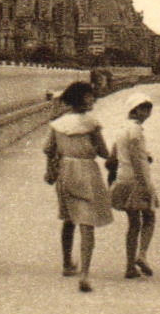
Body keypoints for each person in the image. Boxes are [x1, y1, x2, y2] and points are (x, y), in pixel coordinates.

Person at [44, 81, 111, 292]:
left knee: (68, 218)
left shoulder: (58, 124)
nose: (93, 99)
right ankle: (84, 273)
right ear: (81, 98)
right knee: (87, 222)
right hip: (86, 172)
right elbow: (103, 151)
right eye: (89, 96)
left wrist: (50, 169)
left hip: (65, 171)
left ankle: (67, 263)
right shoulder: (91, 123)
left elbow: (48, 149)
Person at [107, 92, 157, 279]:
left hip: (123, 178)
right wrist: (144, 184)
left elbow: (114, 155)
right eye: (144, 109)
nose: (148, 112)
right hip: (137, 180)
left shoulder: (121, 129)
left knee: (133, 223)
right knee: (150, 217)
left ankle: (129, 267)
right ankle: (142, 255)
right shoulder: (136, 130)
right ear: (135, 111)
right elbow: (136, 157)